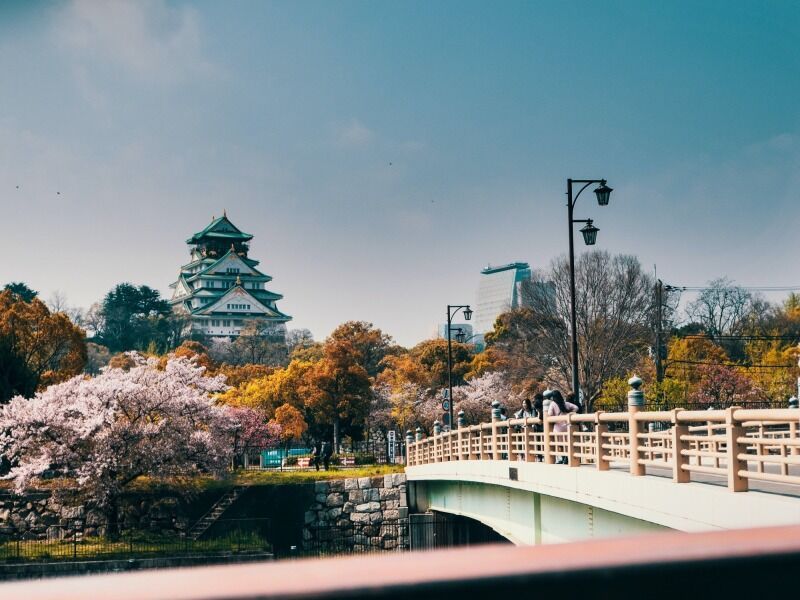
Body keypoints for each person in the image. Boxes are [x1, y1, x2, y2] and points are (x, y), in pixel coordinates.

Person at [547, 390, 579, 464]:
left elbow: (549, 414)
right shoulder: (565, 403)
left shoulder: (552, 404)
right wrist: (571, 413)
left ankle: (563, 457)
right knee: (567, 443)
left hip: (558, 427)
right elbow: (576, 408)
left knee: (560, 444)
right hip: (567, 426)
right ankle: (567, 458)